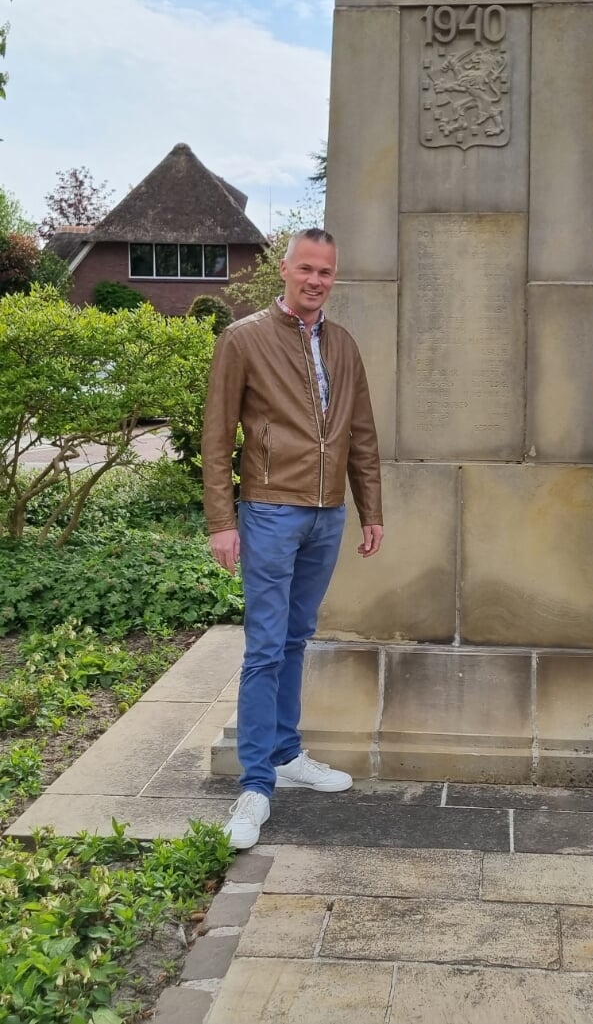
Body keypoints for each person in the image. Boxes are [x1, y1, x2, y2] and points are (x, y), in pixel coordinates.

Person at [202, 228, 383, 849]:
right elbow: (217, 437)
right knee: (265, 647)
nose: (315, 280)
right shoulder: (243, 338)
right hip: (270, 511)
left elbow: (361, 432)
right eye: (306, 269)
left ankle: (285, 752)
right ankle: (256, 785)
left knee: (297, 638)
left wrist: (371, 510)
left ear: (334, 277)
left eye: (326, 272)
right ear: (285, 269)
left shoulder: (344, 344)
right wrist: (222, 522)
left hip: (325, 515)